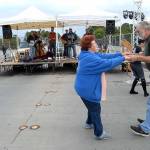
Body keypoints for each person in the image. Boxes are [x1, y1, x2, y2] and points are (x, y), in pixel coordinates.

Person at [74, 35, 131, 140]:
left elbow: (104, 57)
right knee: (95, 109)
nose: (97, 44)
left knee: (92, 106)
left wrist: (120, 54)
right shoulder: (90, 58)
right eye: (94, 43)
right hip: (87, 89)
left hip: (83, 88)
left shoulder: (87, 54)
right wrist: (123, 58)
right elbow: (107, 63)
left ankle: (89, 123)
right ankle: (99, 133)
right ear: (89, 46)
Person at [129, 21, 150, 137]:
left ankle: (146, 128)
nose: (138, 34)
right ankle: (148, 122)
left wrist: (137, 57)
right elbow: (146, 53)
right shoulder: (147, 39)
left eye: (138, 31)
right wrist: (138, 54)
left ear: (146, 29)